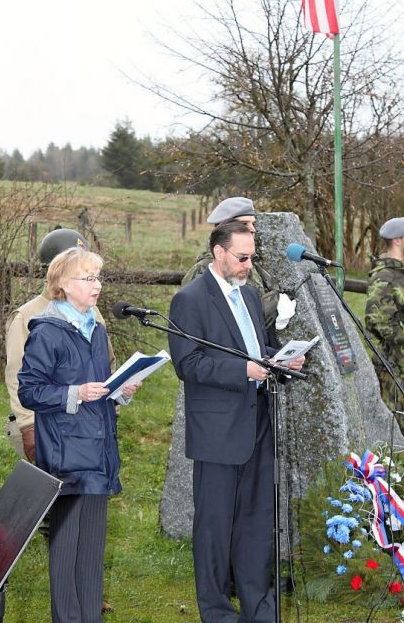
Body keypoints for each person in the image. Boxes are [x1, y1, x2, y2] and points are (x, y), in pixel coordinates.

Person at [168, 220, 305, 623]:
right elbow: (188, 362)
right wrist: (243, 371)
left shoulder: (248, 295)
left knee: (257, 524)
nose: (248, 265)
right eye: (242, 257)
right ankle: (217, 612)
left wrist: (280, 358)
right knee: (214, 530)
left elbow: (253, 347)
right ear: (219, 252)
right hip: (216, 432)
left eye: (251, 257)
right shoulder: (190, 300)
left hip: (257, 422)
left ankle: (260, 610)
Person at [17, 247, 141, 623]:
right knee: (67, 550)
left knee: (92, 552)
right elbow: (29, 391)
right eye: (88, 278)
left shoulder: (97, 328)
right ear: (63, 285)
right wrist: (74, 393)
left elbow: (98, 386)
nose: (97, 285)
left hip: (99, 451)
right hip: (66, 455)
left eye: (98, 277)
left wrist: (120, 391)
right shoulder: (47, 331)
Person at [5, 227, 116, 463]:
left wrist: (114, 397)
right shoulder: (28, 316)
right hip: (45, 424)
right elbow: (18, 377)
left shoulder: (91, 312)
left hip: (88, 423)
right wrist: (28, 426)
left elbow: (107, 359)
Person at [182, 197, 295, 346]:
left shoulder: (254, 265)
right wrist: (275, 302)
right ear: (224, 228)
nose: (253, 229)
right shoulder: (204, 270)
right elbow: (222, 321)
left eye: (253, 224)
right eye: (244, 224)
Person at [365, 216, 404, 434]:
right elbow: (378, 320)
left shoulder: (400, 273)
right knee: (395, 431)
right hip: (394, 368)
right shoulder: (385, 277)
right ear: (398, 240)